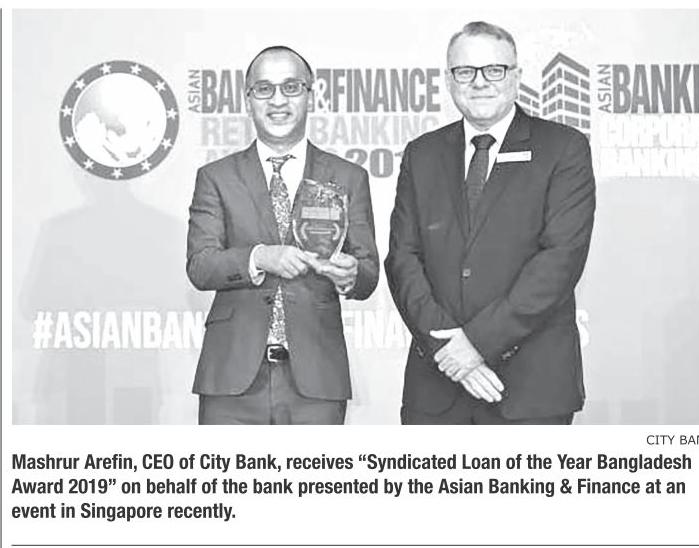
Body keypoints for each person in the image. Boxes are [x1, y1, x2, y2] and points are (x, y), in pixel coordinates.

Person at [385, 22, 595, 425]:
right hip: (437, 386)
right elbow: (403, 260)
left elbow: (560, 260)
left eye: (494, 70)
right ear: (449, 80)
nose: (479, 82)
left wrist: (477, 343)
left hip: (531, 390)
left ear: (516, 76)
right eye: (465, 71)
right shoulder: (421, 154)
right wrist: (449, 351)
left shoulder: (563, 148)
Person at [187, 46, 378, 424]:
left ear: (311, 95)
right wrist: (259, 257)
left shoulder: (347, 176)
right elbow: (201, 265)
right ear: (248, 100)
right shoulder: (216, 177)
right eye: (264, 89)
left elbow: (368, 273)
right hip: (232, 379)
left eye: (291, 87)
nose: (278, 100)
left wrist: (350, 274)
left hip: (316, 379)